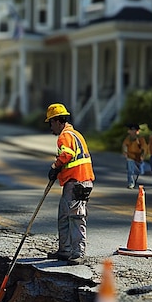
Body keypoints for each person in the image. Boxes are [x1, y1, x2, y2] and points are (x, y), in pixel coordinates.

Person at [45, 103, 95, 265]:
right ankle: (65, 250)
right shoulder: (76, 134)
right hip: (77, 181)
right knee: (65, 215)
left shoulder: (64, 136)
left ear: (58, 121)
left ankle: (78, 252)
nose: (50, 127)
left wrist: (55, 166)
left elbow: (67, 154)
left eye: (51, 123)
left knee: (75, 217)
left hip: (77, 182)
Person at [122, 123, 147, 189]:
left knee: (137, 171)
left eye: (131, 130)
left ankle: (134, 180)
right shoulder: (128, 138)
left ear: (136, 131)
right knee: (130, 170)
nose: (129, 132)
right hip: (130, 156)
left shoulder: (140, 139)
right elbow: (125, 145)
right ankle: (131, 183)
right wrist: (125, 152)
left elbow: (144, 148)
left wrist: (142, 156)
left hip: (138, 157)